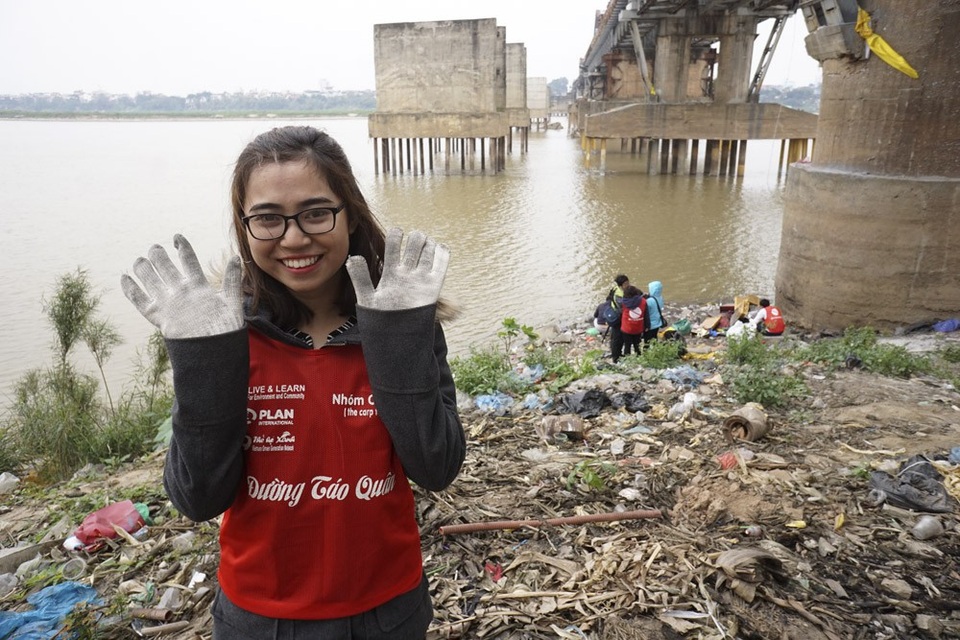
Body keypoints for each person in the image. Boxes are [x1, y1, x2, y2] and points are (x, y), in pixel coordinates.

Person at [120, 125, 466, 639]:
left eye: (316, 212)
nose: (295, 238)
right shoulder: (223, 336)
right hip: (261, 618)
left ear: (350, 213)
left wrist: (397, 340)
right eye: (267, 219)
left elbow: (437, 466)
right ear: (244, 228)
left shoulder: (400, 324)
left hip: (389, 609)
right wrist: (203, 361)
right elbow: (198, 498)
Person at [619, 285, 646, 358]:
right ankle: (639, 358)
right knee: (637, 345)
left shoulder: (623, 302)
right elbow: (645, 313)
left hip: (626, 328)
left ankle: (627, 359)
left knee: (627, 345)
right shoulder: (643, 301)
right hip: (638, 327)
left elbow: (620, 311)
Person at [607, 274, 629, 361]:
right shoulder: (619, 295)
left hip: (616, 314)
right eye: (625, 284)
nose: (628, 285)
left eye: (628, 282)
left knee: (618, 337)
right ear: (620, 285)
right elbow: (623, 306)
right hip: (618, 317)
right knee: (617, 338)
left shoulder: (615, 289)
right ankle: (616, 357)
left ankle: (618, 354)